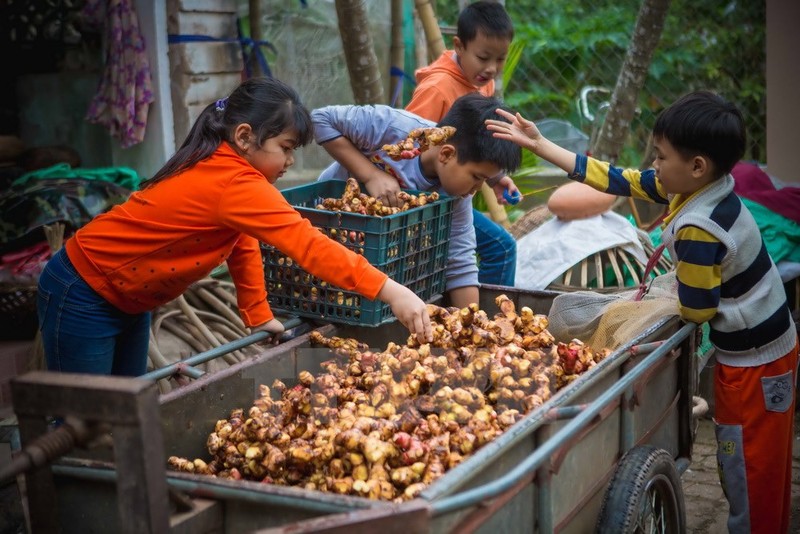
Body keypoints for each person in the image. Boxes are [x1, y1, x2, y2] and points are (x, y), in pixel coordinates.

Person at [486, 90, 799, 534]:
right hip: (752, 357)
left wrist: (652, 306)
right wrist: (541, 145)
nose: (652, 165)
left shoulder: (698, 228)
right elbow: (616, 179)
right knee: (747, 462)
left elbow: (697, 308)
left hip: (757, 367)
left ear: (696, 166)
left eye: (660, 156)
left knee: (751, 473)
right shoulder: (701, 187)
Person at [36, 77, 433, 377]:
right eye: (286, 148)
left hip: (128, 298)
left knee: (125, 408)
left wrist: (257, 313)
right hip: (83, 290)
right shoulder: (233, 181)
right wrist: (391, 292)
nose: (290, 161)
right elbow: (309, 246)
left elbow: (241, 240)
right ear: (245, 137)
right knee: (81, 421)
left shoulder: (232, 175)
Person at [312, 92, 521, 310]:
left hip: (379, 258)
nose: (477, 189)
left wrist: (468, 322)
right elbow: (320, 119)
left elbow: (460, 261)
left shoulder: (455, 198)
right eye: (477, 178)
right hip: (329, 228)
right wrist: (370, 175)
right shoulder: (393, 129)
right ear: (446, 154)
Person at [405, 0, 519, 287]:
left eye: (500, 59)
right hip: (423, 201)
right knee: (501, 248)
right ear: (459, 46)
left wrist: (495, 178)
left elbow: (477, 145)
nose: (492, 68)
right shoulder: (437, 90)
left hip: (453, 198)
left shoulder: (482, 82)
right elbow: (406, 151)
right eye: (483, 57)